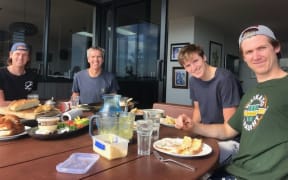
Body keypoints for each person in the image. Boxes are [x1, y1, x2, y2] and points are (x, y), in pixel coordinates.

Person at [176, 25, 288, 179]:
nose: (255, 56)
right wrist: (193, 127)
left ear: (276, 47)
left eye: (261, 48)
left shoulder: (226, 78)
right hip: (238, 170)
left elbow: (229, 136)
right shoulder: (251, 94)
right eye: (249, 51)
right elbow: (227, 130)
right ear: (244, 57)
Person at [176, 44, 243, 164]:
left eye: (195, 61)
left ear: (204, 57)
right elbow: (198, 110)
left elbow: (230, 130)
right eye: (188, 65)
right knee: (178, 152)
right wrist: (192, 129)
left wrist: (196, 129)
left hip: (231, 141)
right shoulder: (193, 81)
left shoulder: (225, 79)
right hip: (208, 137)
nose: (193, 68)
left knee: (195, 162)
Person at [0, 42, 38, 106]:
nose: (20, 57)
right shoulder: (1, 74)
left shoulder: (32, 75)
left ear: (28, 58)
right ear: (11, 55)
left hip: (25, 113)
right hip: (5, 114)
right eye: (17, 54)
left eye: (24, 55)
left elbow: (31, 99)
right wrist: (24, 104)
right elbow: (1, 103)